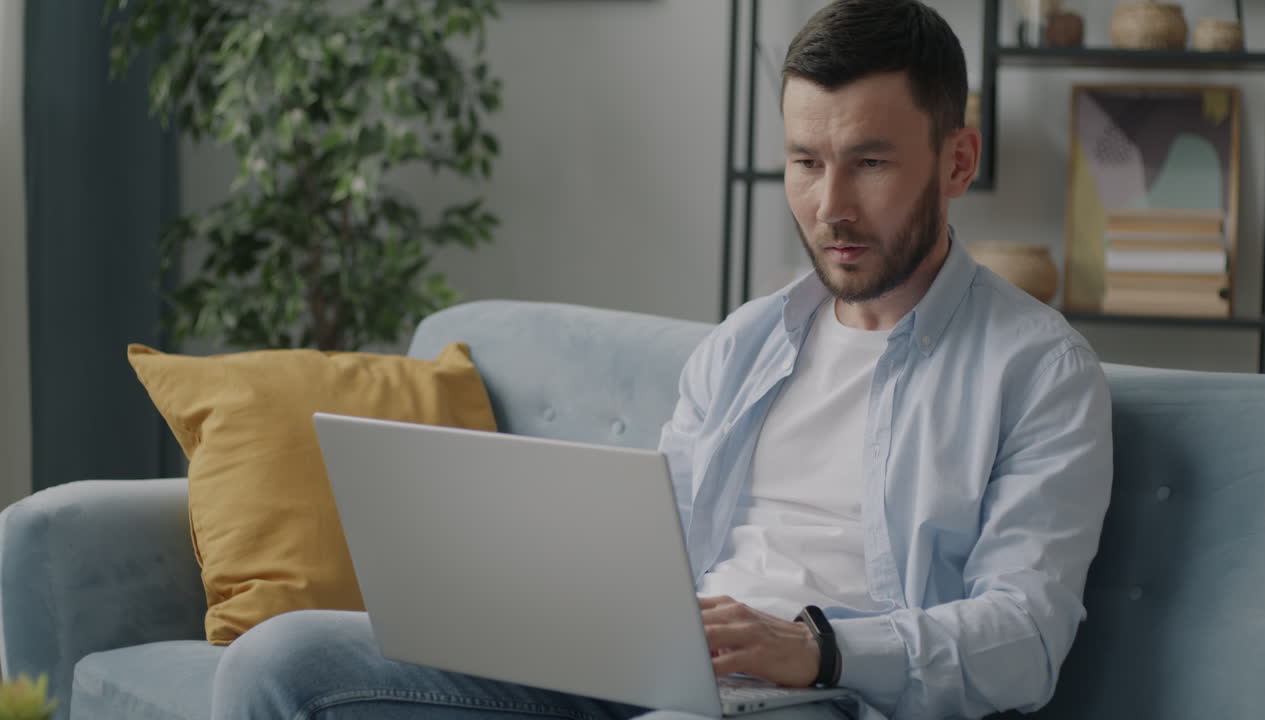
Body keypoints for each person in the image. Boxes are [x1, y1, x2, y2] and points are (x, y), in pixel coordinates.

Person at [210, 1, 1113, 719]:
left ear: (958, 161)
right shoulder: (745, 343)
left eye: (869, 162)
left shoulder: (1039, 372)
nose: (829, 204)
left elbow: (1025, 639)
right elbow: (659, 539)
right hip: (655, 666)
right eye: (805, 161)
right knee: (277, 660)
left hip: (831, 693)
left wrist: (816, 646)